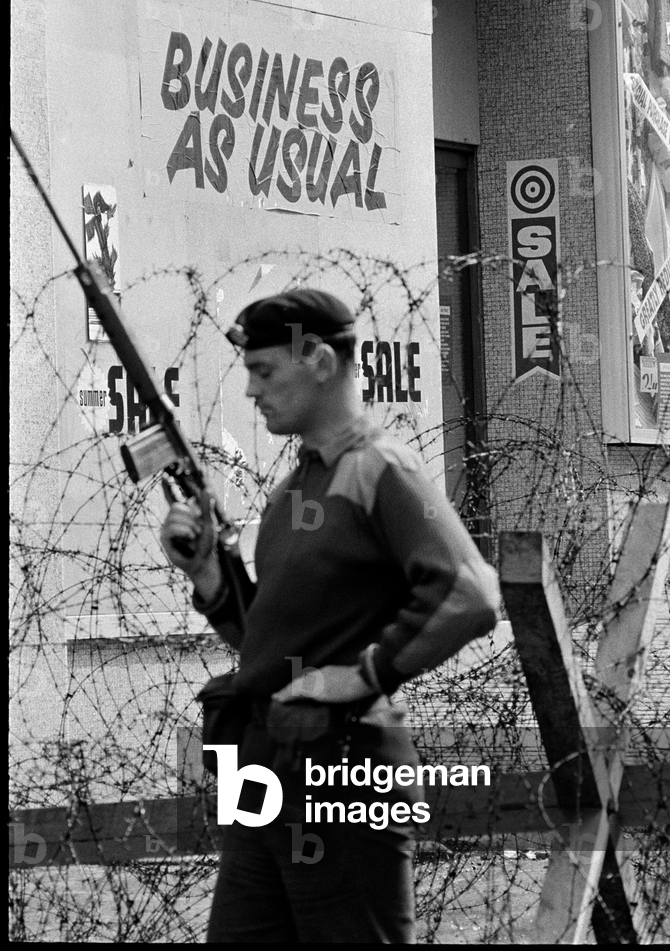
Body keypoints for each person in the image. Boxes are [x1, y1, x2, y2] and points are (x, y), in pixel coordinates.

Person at [160, 289, 501, 943]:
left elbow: (469, 592)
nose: (252, 391)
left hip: (339, 774)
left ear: (318, 360)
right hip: (263, 773)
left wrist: (361, 674)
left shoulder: (378, 469)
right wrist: (208, 572)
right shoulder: (297, 489)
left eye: (263, 372)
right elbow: (266, 641)